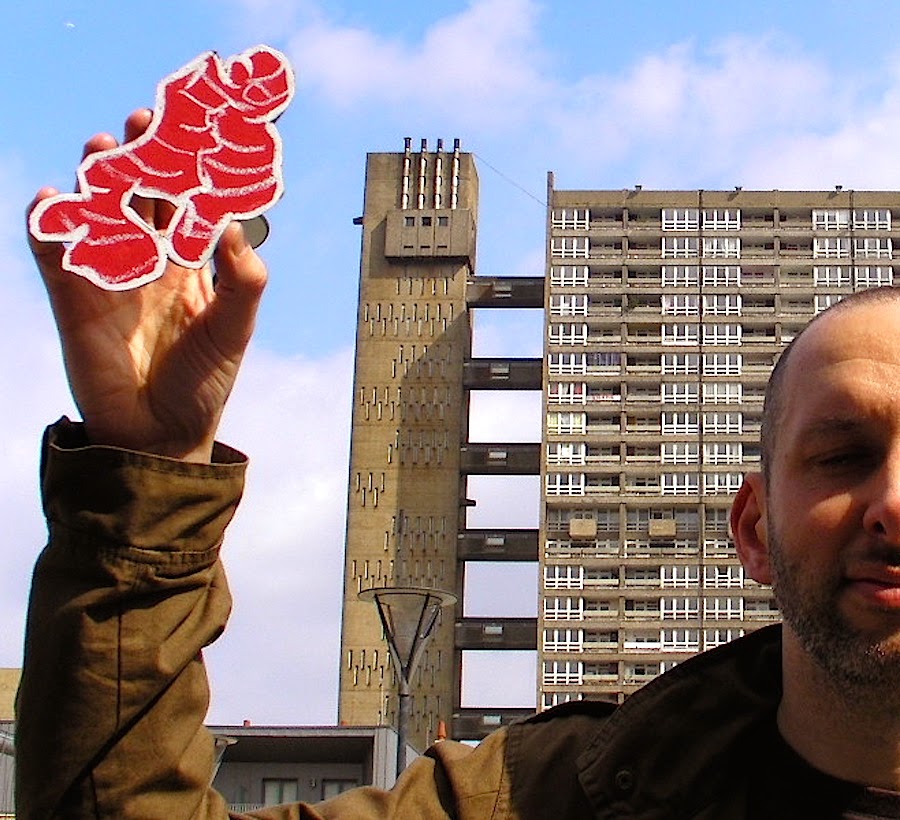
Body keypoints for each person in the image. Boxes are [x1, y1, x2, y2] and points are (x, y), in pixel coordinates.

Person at [15, 113, 900, 819]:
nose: (892, 503)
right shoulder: (541, 799)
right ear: (752, 528)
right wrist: (151, 466)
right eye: (843, 455)